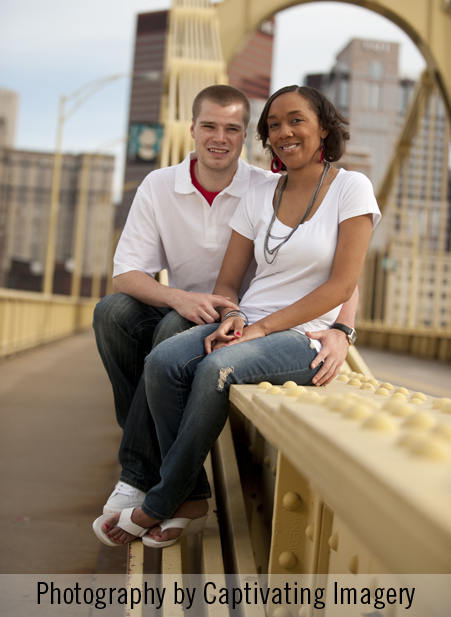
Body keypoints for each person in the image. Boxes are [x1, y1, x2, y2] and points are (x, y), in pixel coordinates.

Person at [93, 84, 380, 548]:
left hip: (301, 333)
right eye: (274, 125)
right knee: (163, 361)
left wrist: (341, 330)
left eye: (296, 120)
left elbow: (344, 282)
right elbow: (228, 282)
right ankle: (188, 492)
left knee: (214, 369)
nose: (284, 132)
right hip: (247, 321)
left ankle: (160, 500)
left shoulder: (352, 186)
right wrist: (234, 314)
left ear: (323, 126)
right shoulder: (263, 193)